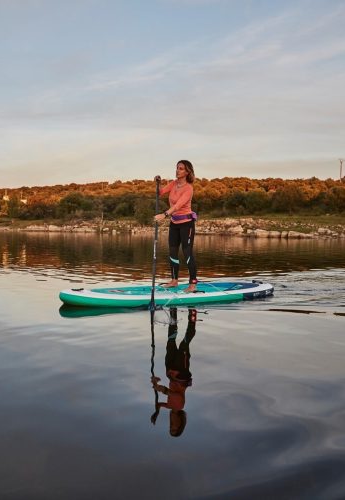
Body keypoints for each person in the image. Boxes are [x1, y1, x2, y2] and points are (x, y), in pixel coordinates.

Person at [150, 307, 197, 437]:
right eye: (174, 426)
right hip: (181, 374)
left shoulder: (170, 407)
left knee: (170, 341)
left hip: (170, 371)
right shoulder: (179, 406)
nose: (171, 423)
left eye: (170, 426)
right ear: (180, 423)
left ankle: (173, 312)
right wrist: (161, 389)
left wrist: (156, 412)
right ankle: (192, 314)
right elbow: (176, 396)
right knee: (184, 344)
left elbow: (159, 404)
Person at [154, 160, 198, 292]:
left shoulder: (189, 188)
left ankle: (193, 284)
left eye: (181, 168)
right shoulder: (173, 184)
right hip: (174, 223)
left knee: (187, 253)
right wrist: (158, 183)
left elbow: (178, 205)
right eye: (177, 168)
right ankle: (174, 281)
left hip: (187, 225)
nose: (177, 170)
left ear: (187, 172)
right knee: (172, 252)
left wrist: (164, 214)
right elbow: (159, 193)